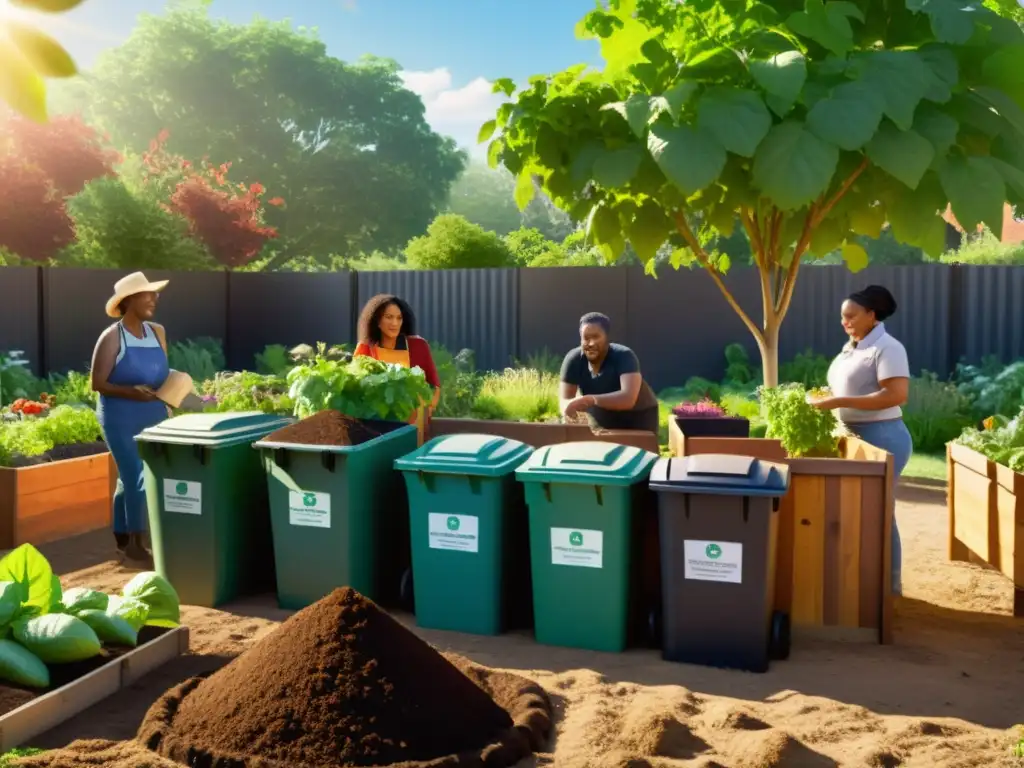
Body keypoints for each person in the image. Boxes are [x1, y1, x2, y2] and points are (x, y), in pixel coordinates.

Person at [809, 284, 913, 595]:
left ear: (872, 314)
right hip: (853, 437)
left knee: (879, 510)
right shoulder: (852, 346)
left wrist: (839, 402)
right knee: (855, 509)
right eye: (842, 317)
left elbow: (896, 395)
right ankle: (859, 582)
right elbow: (850, 390)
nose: (845, 322)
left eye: (851, 316)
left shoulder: (888, 348)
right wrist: (828, 399)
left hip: (883, 437)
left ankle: (889, 588)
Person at [90, 272, 171, 564]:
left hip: (154, 412)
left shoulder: (157, 332)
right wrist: (130, 392)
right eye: (146, 294)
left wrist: (175, 393)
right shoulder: (112, 337)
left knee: (128, 477)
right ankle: (139, 541)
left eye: (154, 294)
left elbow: (161, 373)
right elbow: (97, 383)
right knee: (137, 474)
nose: (154, 298)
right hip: (120, 415)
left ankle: (122, 536)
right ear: (128, 301)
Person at [559, 312, 660, 435]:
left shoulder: (624, 355)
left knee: (637, 451)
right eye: (586, 338)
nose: (590, 344)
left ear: (607, 338)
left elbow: (628, 398)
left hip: (639, 414)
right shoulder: (573, 360)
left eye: (596, 337)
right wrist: (570, 413)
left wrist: (590, 400)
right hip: (601, 412)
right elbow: (565, 402)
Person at [353, 294, 441, 411]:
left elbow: (435, 386)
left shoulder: (418, 345)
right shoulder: (365, 348)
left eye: (399, 318)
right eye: (389, 317)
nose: (394, 323)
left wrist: (427, 410)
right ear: (377, 321)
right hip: (376, 419)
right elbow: (354, 389)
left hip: (414, 418)